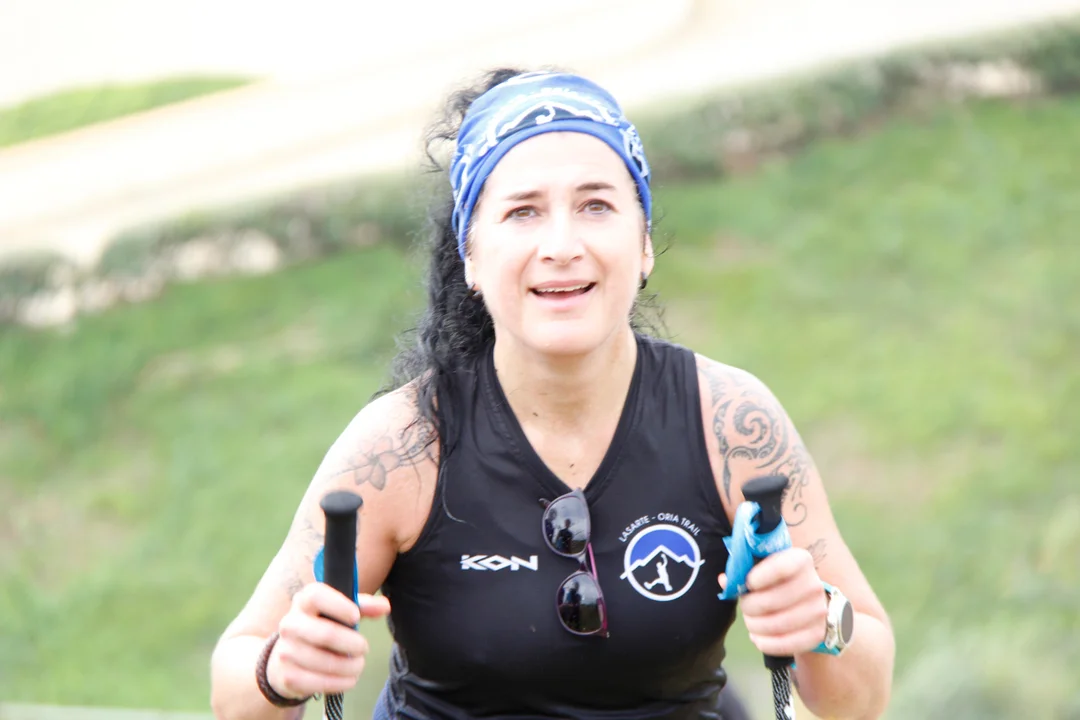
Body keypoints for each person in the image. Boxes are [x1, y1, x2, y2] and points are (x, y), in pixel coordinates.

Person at [209, 67, 896, 720]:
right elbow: (236, 684)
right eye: (523, 212)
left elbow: (859, 699)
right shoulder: (404, 447)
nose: (561, 245)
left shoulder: (730, 424)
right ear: (471, 255)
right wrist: (280, 669)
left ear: (644, 242)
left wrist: (820, 619)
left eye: (596, 205)